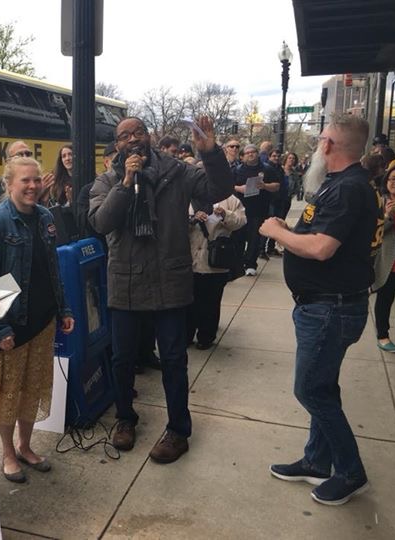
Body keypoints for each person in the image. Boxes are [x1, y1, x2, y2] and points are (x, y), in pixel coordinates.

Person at [89, 116, 234, 462]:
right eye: (125, 136)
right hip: (126, 284)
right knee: (123, 360)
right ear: (117, 145)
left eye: (139, 132)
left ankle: (178, 430)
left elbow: (219, 191)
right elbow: (101, 222)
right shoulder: (107, 180)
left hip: (170, 282)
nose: (133, 140)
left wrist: (210, 152)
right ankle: (125, 419)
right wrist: (126, 182)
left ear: (149, 137)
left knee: (173, 360)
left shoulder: (177, 171)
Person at [260, 114, 376, 506]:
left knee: (310, 389)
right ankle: (316, 459)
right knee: (323, 387)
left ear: (329, 146)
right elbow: (315, 236)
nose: (315, 146)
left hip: (330, 310)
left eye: (320, 139)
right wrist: (288, 231)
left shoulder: (349, 188)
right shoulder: (340, 185)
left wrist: (275, 232)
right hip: (323, 307)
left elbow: (322, 249)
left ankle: (350, 471)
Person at [0, 156, 75, 484]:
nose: (32, 186)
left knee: (32, 389)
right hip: (12, 324)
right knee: (9, 393)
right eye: (24, 181)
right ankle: (7, 453)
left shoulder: (46, 217)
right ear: (8, 184)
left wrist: (64, 310)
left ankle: (26, 446)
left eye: (35, 180)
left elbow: (53, 270)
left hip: (43, 321)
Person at [187, 195, 246, 349]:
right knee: (188, 301)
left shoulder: (231, 200)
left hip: (216, 259)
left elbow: (241, 222)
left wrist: (225, 214)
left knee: (211, 301)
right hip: (189, 258)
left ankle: (206, 336)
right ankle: (186, 334)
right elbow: (173, 223)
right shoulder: (187, 194)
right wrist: (192, 219)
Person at [233, 144, 280, 275]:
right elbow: (228, 185)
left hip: (259, 208)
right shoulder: (237, 170)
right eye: (247, 153)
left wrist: (265, 186)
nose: (250, 154)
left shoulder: (267, 169)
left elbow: (277, 185)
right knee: (239, 237)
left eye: (253, 152)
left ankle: (250, 264)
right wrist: (239, 188)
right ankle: (238, 263)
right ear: (243, 157)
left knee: (254, 237)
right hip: (240, 208)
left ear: (257, 154)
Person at [371, 164, 395, 352]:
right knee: (385, 299)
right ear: (386, 181)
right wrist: (388, 216)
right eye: (393, 179)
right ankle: (383, 336)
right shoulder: (380, 201)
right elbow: (375, 232)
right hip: (389, 261)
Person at [262, 148, 290, 258]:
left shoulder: (279, 169)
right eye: (274, 156)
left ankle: (271, 247)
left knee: (278, 224)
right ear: (269, 157)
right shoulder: (266, 168)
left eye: (278, 156)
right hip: (271, 200)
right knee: (269, 224)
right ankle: (262, 249)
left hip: (280, 199)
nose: (276, 158)